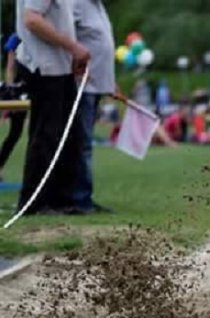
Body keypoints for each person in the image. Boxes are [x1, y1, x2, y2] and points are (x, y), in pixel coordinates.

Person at [15, 0, 90, 215]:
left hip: (60, 67)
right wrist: (72, 47)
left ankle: (61, 199)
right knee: (46, 136)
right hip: (44, 67)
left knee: (68, 137)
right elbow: (32, 19)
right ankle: (35, 202)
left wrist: (71, 54)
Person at [72, 0, 116, 214]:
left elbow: (101, 45)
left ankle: (83, 195)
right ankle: (79, 198)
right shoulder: (76, 4)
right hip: (83, 86)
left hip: (97, 84)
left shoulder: (98, 6)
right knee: (82, 144)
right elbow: (71, 39)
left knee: (85, 143)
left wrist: (110, 81)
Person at [0, 48, 28, 183]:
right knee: (15, 133)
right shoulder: (16, 39)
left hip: (29, 89)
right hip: (19, 91)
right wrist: (11, 92)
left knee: (15, 133)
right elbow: (10, 68)